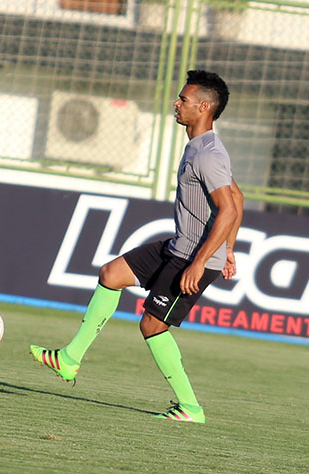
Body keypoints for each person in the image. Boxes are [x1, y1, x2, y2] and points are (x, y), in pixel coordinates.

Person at [30, 70, 243, 424]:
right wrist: (229, 249)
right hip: (180, 247)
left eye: (184, 100)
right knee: (111, 274)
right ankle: (69, 359)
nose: (176, 104)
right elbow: (237, 196)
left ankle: (190, 408)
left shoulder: (208, 154)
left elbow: (230, 207)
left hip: (192, 258)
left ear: (204, 107)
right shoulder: (201, 147)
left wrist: (204, 260)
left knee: (152, 326)